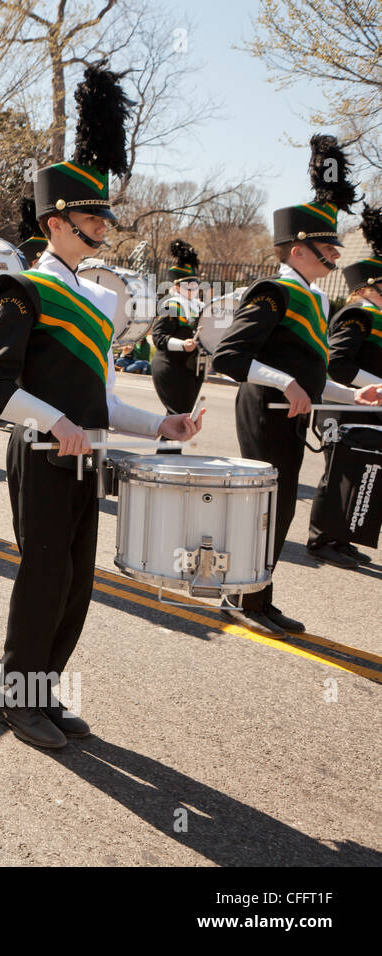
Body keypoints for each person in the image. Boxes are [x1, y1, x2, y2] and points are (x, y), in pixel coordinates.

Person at [0, 64, 203, 749]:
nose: (103, 222)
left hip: (83, 455)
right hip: (42, 453)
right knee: (44, 577)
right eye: (92, 213)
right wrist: (57, 423)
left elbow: (100, 399)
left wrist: (160, 423)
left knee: (76, 584)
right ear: (56, 221)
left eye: (103, 212)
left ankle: (45, 692)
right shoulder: (24, 288)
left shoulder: (99, 301)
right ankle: (17, 700)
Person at [212, 135, 382, 636]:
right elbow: (230, 357)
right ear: (300, 248)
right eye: (328, 245)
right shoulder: (274, 290)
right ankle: (243, 596)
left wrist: (353, 395)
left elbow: (314, 376)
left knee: (280, 507)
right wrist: (285, 381)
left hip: (287, 409)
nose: (335, 254)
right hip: (263, 408)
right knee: (266, 506)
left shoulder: (313, 299)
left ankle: (257, 595)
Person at [304, 204, 382, 566]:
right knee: (335, 473)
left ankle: (341, 537)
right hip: (343, 404)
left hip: (365, 405)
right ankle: (321, 540)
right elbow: (338, 363)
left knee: (356, 471)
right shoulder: (356, 313)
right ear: (369, 287)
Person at [150, 239, 205, 418]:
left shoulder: (199, 306)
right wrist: (182, 344)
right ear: (176, 287)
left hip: (190, 369)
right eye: (187, 285)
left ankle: (170, 447)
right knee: (177, 419)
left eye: (195, 285)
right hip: (170, 367)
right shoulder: (171, 305)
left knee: (183, 420)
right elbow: (158, 337)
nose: (192, 289)